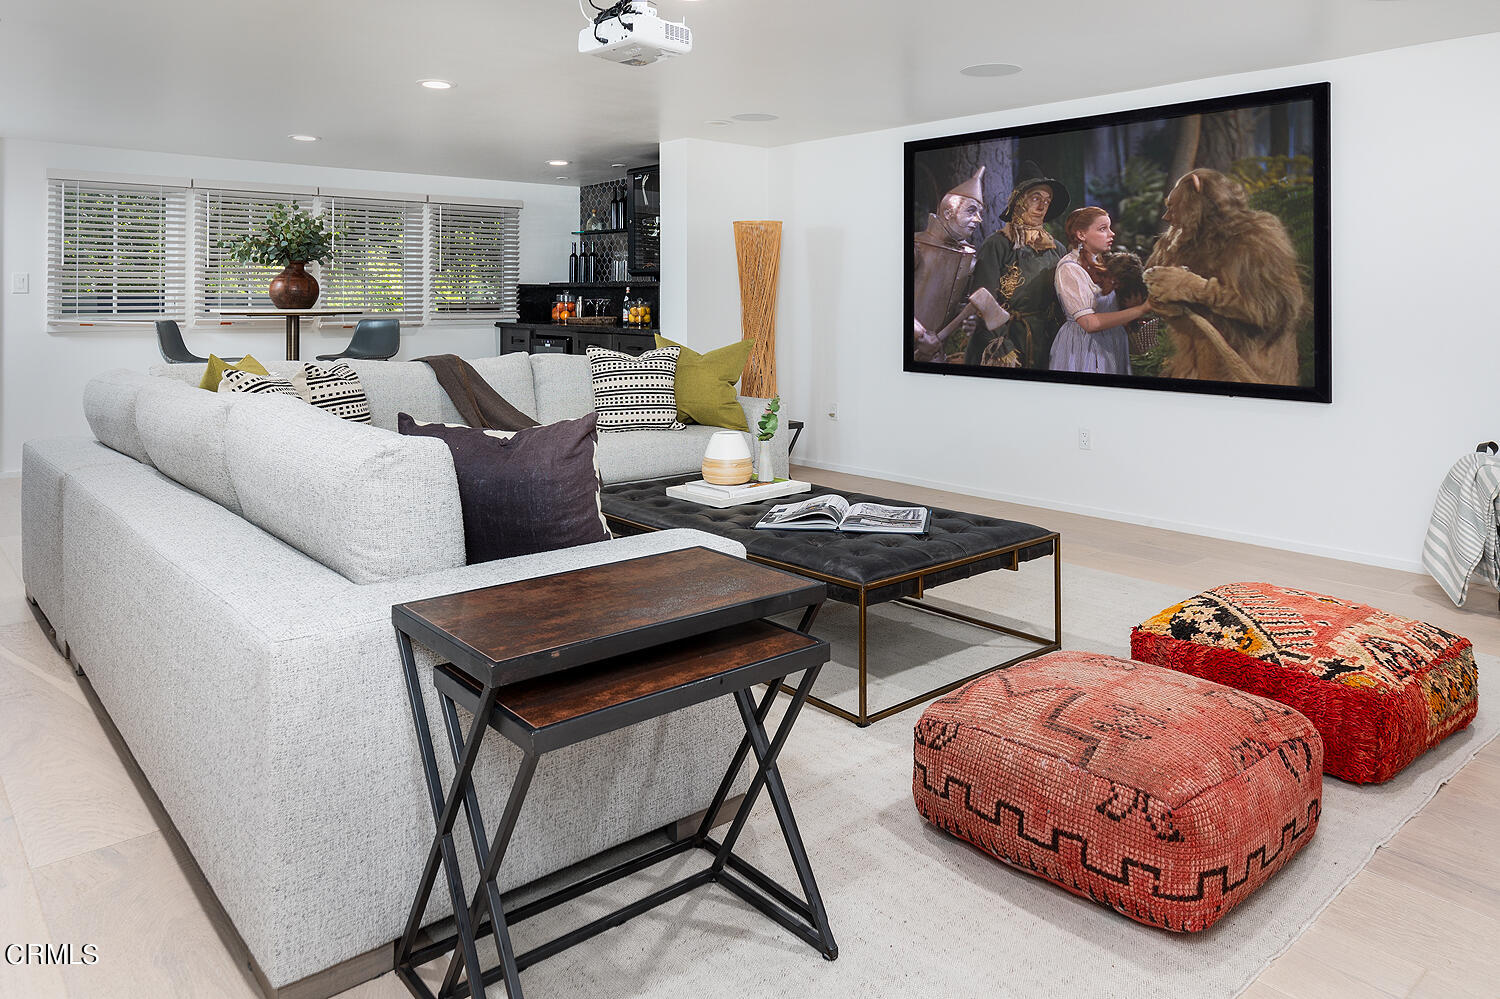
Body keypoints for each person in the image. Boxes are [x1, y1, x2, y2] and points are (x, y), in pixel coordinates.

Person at [965, 169, 1070, 368]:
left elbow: (1062, 301)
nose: (1042, 205)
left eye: (1047, 201)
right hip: (1003, 337)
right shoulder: (998, 244)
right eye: (1035, 198)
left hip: (1044, 340)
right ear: (1019, 201)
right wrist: (1001, 345)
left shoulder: (1057, 248)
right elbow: (983, 297)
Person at [911, 167, 1010, 362]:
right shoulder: (916, 246)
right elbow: (891, 299)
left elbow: (956, 301)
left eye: (980, 213)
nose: (979, 220)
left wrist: (969, 319)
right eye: (971, 211)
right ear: (948, 212)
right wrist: (919, 334)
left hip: (936, 353)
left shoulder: (969, 258)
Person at [1048, 207, 1153, 374]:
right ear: (1081, 235)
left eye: (1109, 228)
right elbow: (1089, 323)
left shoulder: (1103, 262)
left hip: (1111, 344)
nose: (1112, 234)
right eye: (1103, 229)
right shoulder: (1070, 269)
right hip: (1085, 347)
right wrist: (1141, 309)